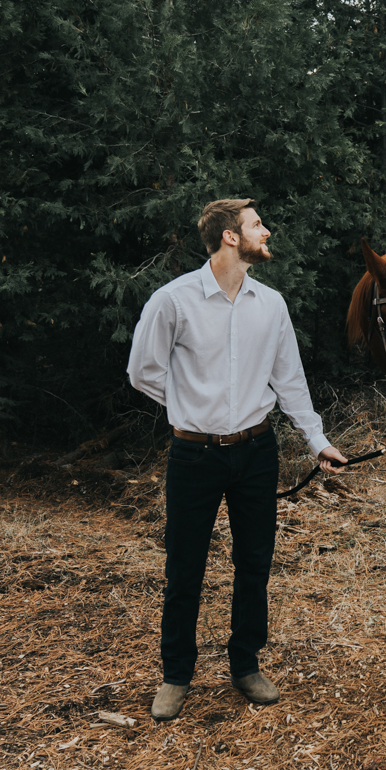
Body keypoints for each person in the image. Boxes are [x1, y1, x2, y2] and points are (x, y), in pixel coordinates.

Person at [127, 198, 347, 720]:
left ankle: (245, 663)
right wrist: (190, 407)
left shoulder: (270, 304)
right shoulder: (173, 300)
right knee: (185, 568)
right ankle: (176, 674)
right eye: (255, 225)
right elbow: (143, 370)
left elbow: (289, 381)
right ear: (230, 237)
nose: (265, 231)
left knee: (254, 562)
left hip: (256, 451)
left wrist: (317, 441)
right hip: (194, 455)